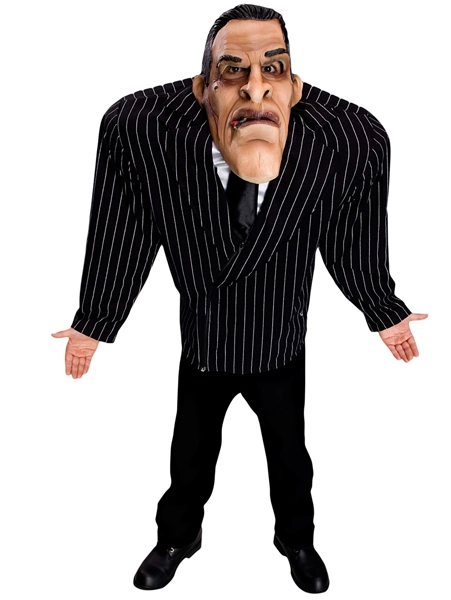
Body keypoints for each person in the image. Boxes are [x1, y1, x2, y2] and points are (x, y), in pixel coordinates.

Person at [52, 4, 427, 594]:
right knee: (189, 458)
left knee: (290, 459)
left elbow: (351, 238)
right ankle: (178, 537)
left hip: (280, 344)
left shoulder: (339, 143)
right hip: (204, 345)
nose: (256, 90)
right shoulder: (149, 135)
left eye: (273, 69)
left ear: (294, 84)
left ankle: (296, 540)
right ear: (202, 87)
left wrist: (383, 309)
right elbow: (123, 230)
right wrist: (94, 320)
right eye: (233, 72)